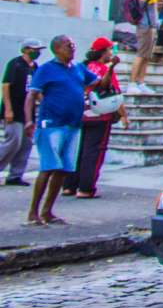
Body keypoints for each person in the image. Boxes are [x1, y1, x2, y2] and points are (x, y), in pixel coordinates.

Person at [25, 36, 97, 225]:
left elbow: (97, 82)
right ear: (57, 49)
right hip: (51, 123)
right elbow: (31, 95)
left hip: (72, 124)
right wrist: (29, 120)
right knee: (49, 167)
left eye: (73, 45)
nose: (72, 48)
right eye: (68, 45)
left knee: (63, 169)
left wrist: (111, 67)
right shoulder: (46, 69)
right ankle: (33, 212)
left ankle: (47, 210)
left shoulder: (78, 68)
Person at [67, 38, 124, 198]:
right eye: (109, 50)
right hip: (100, 114)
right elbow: (112, 91)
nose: (110, 53)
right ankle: (86, 187)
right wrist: (123, 115)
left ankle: (69, 185)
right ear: (103, 52)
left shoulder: (82, 67)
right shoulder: (103, 69)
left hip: (81, 113)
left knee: (78, 150)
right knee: (94, 152)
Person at [1, 38, 42, 185]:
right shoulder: (15, 64)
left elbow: (36, 90)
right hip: (15, 109)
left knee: (26, 143)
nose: (37, 52)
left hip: (28, 112)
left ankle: (15, 175)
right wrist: (8, 109)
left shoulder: (35, 67)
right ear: (26, 49)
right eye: (34, 49)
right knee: (13, 141)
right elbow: (6, 86)